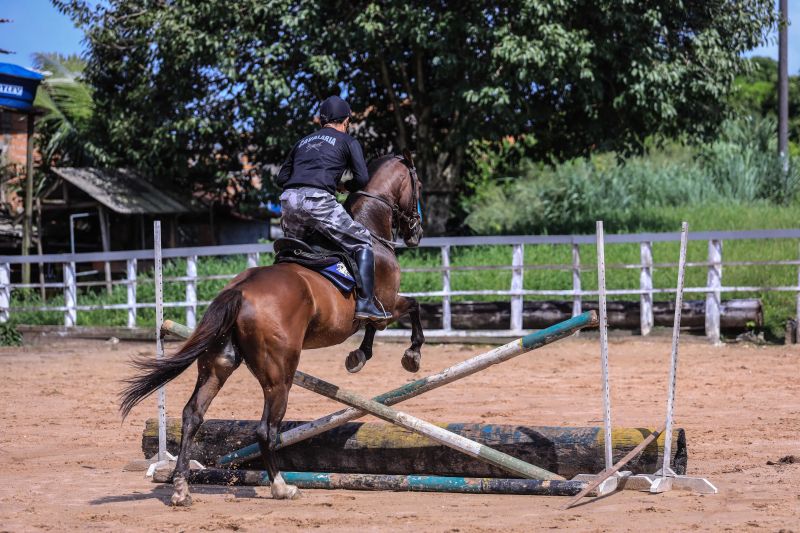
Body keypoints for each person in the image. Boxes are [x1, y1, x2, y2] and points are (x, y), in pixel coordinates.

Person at [276, 95, 390, 322]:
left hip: (288, 200)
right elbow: (362, 177)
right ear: (346, 120)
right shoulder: (347, 141)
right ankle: (366, 302)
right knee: (362, 240)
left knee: (295, 251)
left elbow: (282, 178)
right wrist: (343, 186)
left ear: (322, 120)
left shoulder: (302, 142)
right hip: (318, 200)